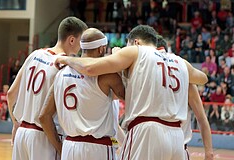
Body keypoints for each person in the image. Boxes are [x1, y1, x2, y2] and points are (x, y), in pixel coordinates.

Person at [55, 25, 208, 159]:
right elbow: (203, 78)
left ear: (136, 42)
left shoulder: (135, 52)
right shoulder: (180, 62)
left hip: (147, 131)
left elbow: (90, 68)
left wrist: (67, 60)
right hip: (176, 137)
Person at [7, 16, 87, 160]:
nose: (81, 47)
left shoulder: (34, 54)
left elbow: (11, 94)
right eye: (81, 41)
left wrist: (15, 123)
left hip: (22, 133)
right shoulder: (65, 66)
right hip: (45, 137)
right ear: (72, 40)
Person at [39, 28, 125, 160]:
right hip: (98, 148)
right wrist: (120, 63)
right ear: (101, 49)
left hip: (69, 146)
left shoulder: (61, 74)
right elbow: (130, 97)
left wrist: (60, 148)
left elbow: (44, 116)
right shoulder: (107, 75)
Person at [182, 84, 213, 160]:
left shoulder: (189, 86)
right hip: (157, 143)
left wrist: (209, 152)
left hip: (180, 147)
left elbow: (202, 119)